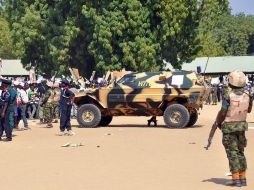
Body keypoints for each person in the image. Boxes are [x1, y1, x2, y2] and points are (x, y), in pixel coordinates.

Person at [215, 70, 252, 187]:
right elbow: (249, 110)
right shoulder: (248, 95)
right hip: (241, 127)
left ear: (231, 81)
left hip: (229, 127)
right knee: (240, 152)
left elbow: (223, 111)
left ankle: (236, 179)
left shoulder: (227, 96)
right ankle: (243, 178)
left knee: (232, 153)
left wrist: (218, 122)